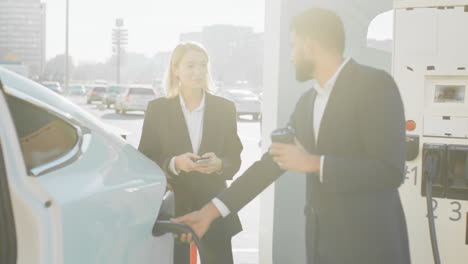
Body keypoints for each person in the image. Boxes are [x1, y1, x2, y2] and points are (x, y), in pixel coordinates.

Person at [172, 8, 411, 264]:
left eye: (293, 46)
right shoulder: (307, 103)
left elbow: (389, 170)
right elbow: (270, 165)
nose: (291, 56)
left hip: (370, 247)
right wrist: (209, 212)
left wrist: (312, 163)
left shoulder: (375, 85)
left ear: (309, 45)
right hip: (322, 246)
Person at [138, 42, 243, 264]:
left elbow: (234, 157)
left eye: (203, 65)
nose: (198, 72)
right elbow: (145, 157)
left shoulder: (225, 109)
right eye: (190, 65)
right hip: (175, 209)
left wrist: (220, 165)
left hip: (214, 208)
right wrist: (175, 163)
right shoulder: (158, 109)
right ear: (175, 69)